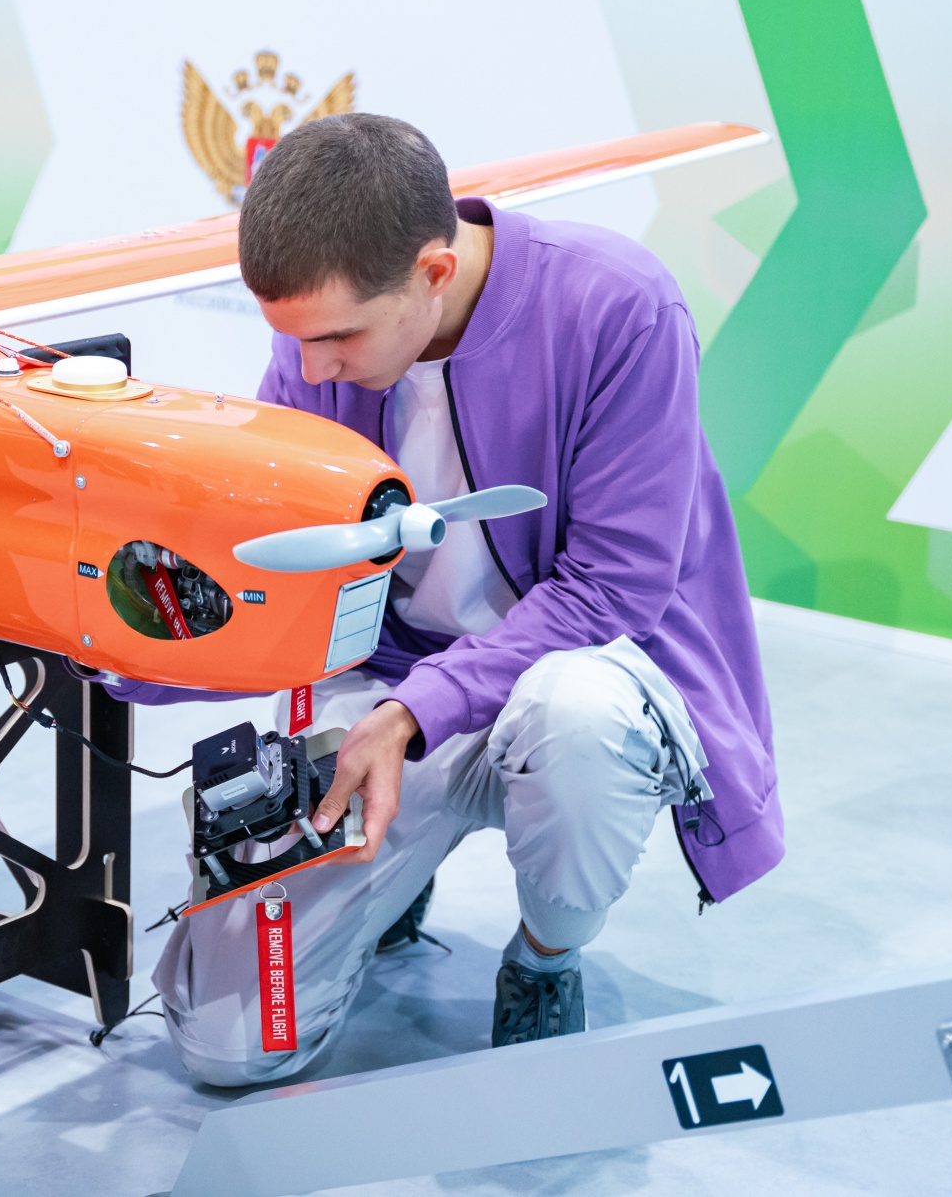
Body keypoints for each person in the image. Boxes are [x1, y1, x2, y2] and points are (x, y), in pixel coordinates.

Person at [102, 113, 783, 1087]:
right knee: (227, 1046)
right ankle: (395, 876)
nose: (312, 369)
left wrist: (409, 715)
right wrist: (122, 648)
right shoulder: (316, 349)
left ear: (433, 271)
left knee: (577, 720)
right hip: (389, 683)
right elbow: (282, 575)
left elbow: (615, 585)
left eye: (337, 337)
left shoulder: (618, 305)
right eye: (293, 341)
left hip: (575, 676)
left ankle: (545, 956)